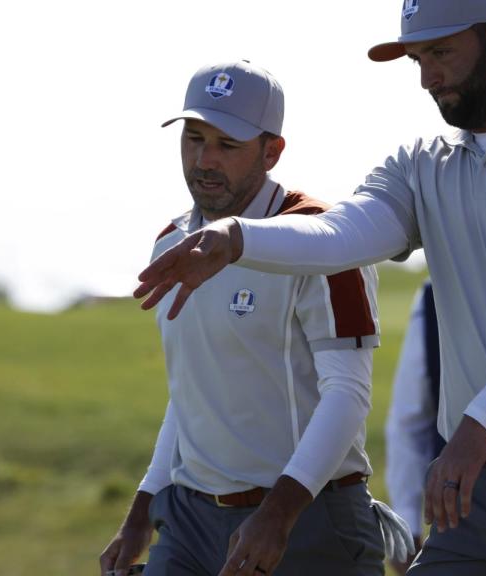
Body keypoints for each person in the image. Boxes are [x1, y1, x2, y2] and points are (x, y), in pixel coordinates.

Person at [135, 2, 486, 574]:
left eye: (441, 53)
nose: (427, 76)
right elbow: (342, 235)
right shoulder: (420, 165)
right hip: (480, 493)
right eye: (417, 57)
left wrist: (476, 425)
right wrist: (237, 237)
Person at [100, 60, 412, 576]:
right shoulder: (172, 243)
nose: (203, 160)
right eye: (194, 138)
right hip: (190, 519)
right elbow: (191, 394)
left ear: (272, 151)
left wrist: (278, 514)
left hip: (308, 519)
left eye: (227, 145)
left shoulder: (324, 240)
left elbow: (348, 395)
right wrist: (143, 506)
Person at [384, 280, 442, 575]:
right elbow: (410, 420)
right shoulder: (433, 297)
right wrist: (406, 522)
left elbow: (409, 420)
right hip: (461, 512)